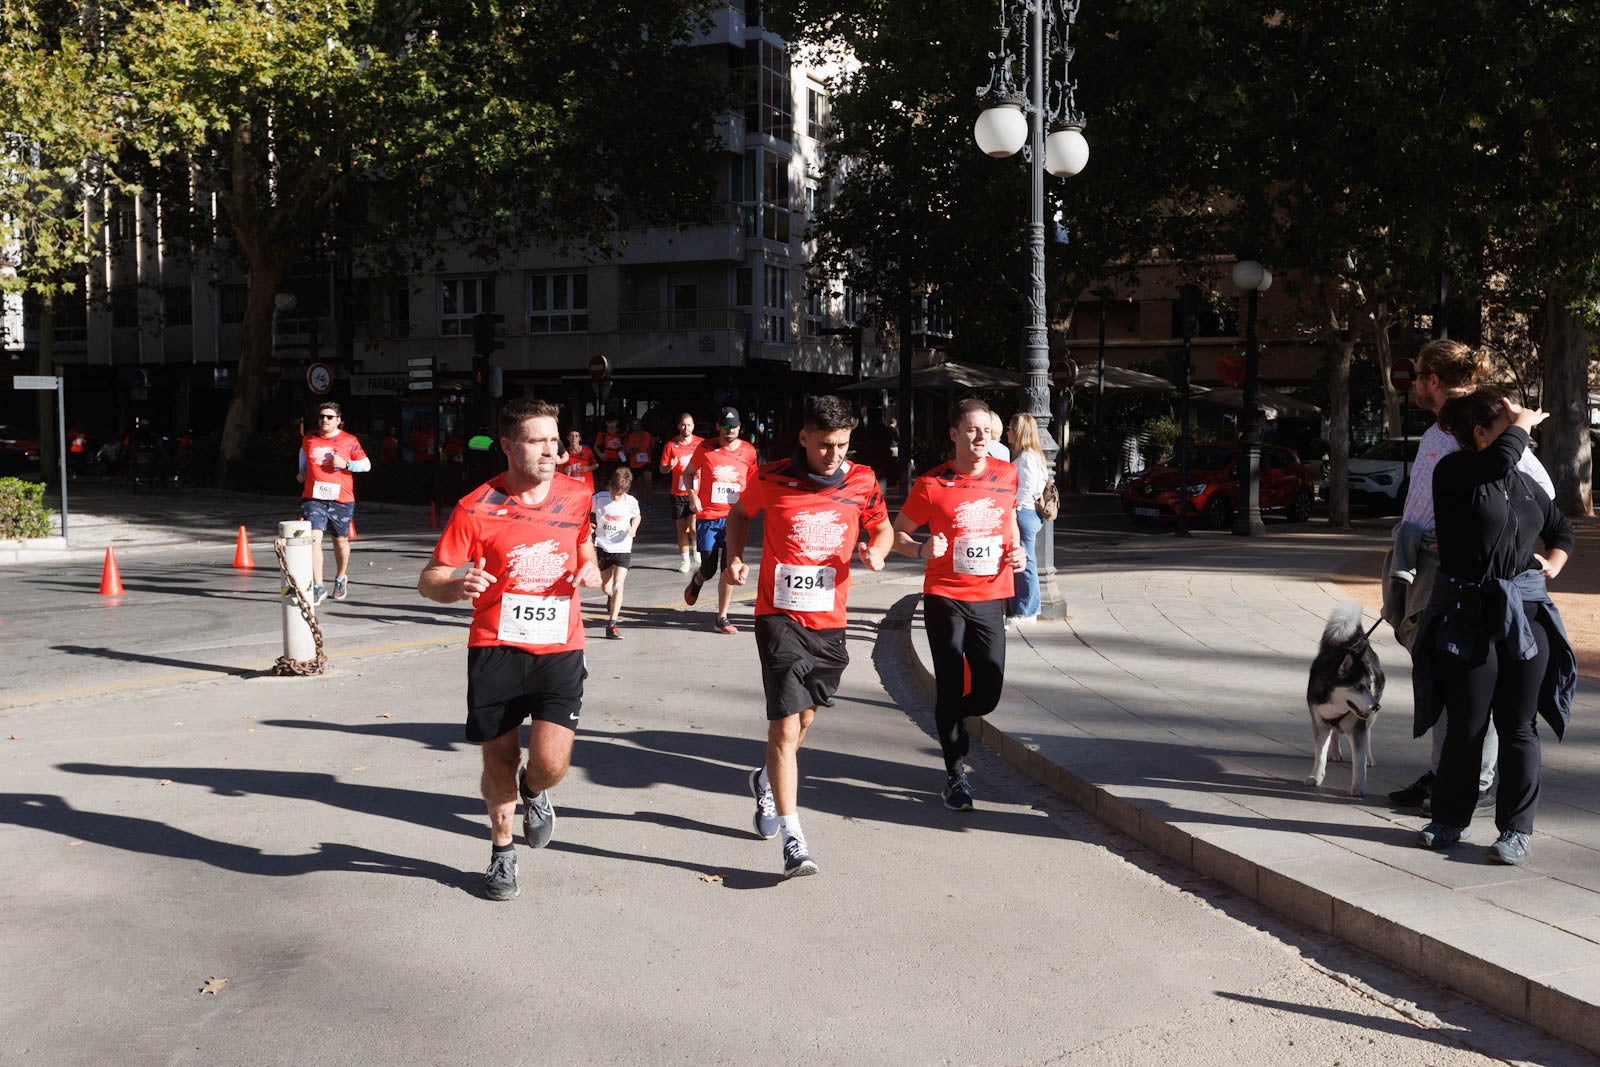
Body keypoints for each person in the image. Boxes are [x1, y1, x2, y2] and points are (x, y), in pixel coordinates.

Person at [417, 398, 602, 901]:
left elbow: (583, 543)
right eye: (537, 440)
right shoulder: (474, 507)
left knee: (550, 762)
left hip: (559, 647)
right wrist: (456, 587)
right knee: (498, 759)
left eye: (555, 438)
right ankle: (502, 853)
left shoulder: (578, 494)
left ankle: (536, 792)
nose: (552, 449)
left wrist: (589, 566)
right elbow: (429, 579)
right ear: (507, 446)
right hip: (496, 647)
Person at [1383, 340, 1557, 813]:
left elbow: (1541, 489)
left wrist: (1518, 546)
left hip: (1460, 571)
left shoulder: (1473, 425)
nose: (1413, 382)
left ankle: (1473, 781)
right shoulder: (1443, 429)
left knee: (1466, 675)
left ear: (1433, 380)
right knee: (1445, 676)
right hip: (1432, 565)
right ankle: (1447, 773)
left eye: (1418, 374)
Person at [724, 395, 894, 877]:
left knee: (804, 721)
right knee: (783, 725)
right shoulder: (773, 476)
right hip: (777, 616)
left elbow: (880, 529)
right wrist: (735, 558)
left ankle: (763, 778)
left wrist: (878, 553)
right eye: (824, 445)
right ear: (803, 437)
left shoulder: (862, 481)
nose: (833, 454)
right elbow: (740, 515)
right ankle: (794, 838)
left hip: (829, 621)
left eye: (841, 445)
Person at [1413, 391, 1575, 865]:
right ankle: (1448, 819)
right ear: (1479, 434)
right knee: (1466, 723)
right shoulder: (1457, 473)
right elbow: (1499, 459)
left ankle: (1516, 832)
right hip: (1469, 613)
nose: (1519, 437)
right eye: (1506, 428)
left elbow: (1561, 528)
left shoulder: (1523, 484)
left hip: (1526, 616)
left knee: (1519, 725)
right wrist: (1520, 426)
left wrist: (1556, 563)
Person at [892, 397, 1026, 811]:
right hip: (945, 596)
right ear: (954, 434)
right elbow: (899, 533)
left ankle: (955, 718)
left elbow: (1008, 522)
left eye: (986, 429)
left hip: (990, 595)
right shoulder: (931, 484)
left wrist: (1018, 550)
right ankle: (955, 775)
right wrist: (921, 550)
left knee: (989, 692)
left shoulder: (1007, 475)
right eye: (972, 429)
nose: (981, 436)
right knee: (949, 685)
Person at [684, 406, 759, 634]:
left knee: (730, 567)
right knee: (708, 568)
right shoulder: (705, 448)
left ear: (739, 427)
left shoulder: (748, 451)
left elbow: (755, 481)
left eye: (734, 426)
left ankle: (722, 616)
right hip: (708, 515)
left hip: (735, 517)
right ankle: (697, 580)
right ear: (718, 427)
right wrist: (692, 495)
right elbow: (688, 473)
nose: (730, 431)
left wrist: (755, 504)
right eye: (726, 427)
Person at [297, 403, 371, 605]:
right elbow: (303, 453)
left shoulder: (349, 440)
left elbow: (366, 465)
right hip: (314, 497)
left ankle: (340, 578)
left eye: (330, 417)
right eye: (322, 416)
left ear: (338, 420)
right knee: (314, 538)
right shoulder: (310, 438)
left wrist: (347, 465)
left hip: (342, 498)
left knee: (340, 541)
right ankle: (318, 586)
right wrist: (302, 471)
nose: (325, 420)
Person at [1005, 412, 1049, 624]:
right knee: (1023, 561)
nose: (1007, 432)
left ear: (1018, 431)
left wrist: (1012, 507)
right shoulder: (1034, 456)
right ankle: (1023, 608)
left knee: (1025, 562)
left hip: (1023, 511)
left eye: (1011, 428)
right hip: (1030, 512)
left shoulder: (1025, 458)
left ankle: (1028, 610)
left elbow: (1025, 489)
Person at [592, 466, 642, 640]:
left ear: (626, 491)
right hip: (603, 546)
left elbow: (637, 516)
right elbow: (584, 513)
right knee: (607, 586)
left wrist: (633, 528)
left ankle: (612, 625)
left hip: (622, 547)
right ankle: (611, 598)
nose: (615, 496)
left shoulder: (631, 502)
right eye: (613, 491)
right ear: (609, 486)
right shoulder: (598, 499)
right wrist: (587, 524)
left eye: (620, 493)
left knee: (618, 585)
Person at [660, 412, 705, 573]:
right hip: (677, 493)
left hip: (695, 492)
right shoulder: (671, 445)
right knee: (681, 529)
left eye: (689, 425)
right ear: (679, 426)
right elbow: (662, 469)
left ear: (693, 426)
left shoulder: (701, 443)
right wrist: (670, 466)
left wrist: (701, 472)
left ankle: (696, 548)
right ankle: (685, 560)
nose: (686, 428)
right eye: (683, 425)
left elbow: (709, 464)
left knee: (693, 527)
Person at [624, 417, 655, 504]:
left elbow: (652, 445)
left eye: (638, 424)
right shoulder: (629, 437)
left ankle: (649, 502)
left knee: (648, 482)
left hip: (646, 461)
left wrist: (651, 450)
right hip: (634, 463)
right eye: (634, 424)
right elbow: (626, 452)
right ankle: (641, 502)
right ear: (631, 426)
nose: (636, 426)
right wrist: (633, 450)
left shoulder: (647, 434)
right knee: (639, 485)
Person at [557, 428, 597, 494]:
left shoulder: (587, 451)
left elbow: (596, 465)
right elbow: (558, 469)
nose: (574, 438)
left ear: (579, 438)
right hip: (571, 488)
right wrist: (564, 470)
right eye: (571, 436)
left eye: (576, 436)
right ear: (568, 438)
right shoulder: (564, 453)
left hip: (586, 487)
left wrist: (587, 468)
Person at [594, 417, 625, 487]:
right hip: (606, 460)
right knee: (606, 482)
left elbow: (628, 447)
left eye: (613, 422)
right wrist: (600, 454)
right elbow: (595, 446)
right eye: (609, 422)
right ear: (606, 423)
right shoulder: (602, 433)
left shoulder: (622, 433)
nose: (611, 424)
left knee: (618, 481)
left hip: (619, 460)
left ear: (617, 422)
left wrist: (621, 446)